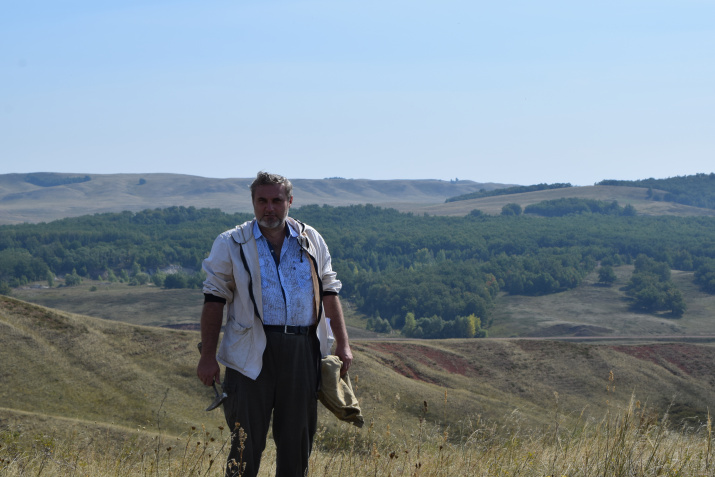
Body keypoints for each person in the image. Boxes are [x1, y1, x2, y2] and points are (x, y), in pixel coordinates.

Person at [197, 171, 353, 477]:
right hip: (250, 353)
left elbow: (329, 291)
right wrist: (207, 356)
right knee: (245, 444)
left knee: (297, 443)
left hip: (302, 351)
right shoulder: (232, 243)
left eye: (277, 201)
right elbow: (214, 300)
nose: (270, 208)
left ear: (289, 202)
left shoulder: (311, 239)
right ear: (253, 202)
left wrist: (344, 344)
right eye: (262, 201)